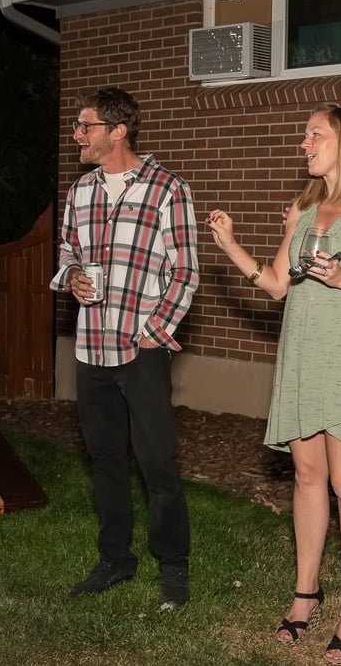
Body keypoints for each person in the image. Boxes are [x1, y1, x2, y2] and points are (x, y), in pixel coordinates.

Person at [207, 103, 341, 663]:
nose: (305, 144)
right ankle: (305, 593)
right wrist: (231, 246)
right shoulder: (304, 206)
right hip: (300, 356)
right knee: (306, 476)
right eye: (305, 136)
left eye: (314, 135)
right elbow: (277, 285)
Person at [50, 87, 199, 611]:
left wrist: (155, 330)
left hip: (142, 348)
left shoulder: (167, 190)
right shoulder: (81, 192)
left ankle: (173, 565)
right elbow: (68, 248)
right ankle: (115, 559)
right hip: (90, 347)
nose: (77, 135)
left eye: (85, 126)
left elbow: (185, 270)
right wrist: (70, 275)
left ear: (117, 131)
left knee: (157, 462)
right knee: (106, 459)